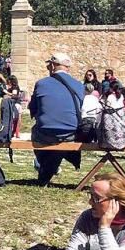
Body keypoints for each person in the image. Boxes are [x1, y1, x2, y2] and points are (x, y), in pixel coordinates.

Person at [28, 52, 84, 186]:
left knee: (38, 132)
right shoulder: (79, 85)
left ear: (53, 66)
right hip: (70, 133)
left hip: (45, 133)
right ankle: (46, 172)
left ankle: (44, 171)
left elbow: (33, 109)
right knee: (58, 145)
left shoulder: (41, 83)